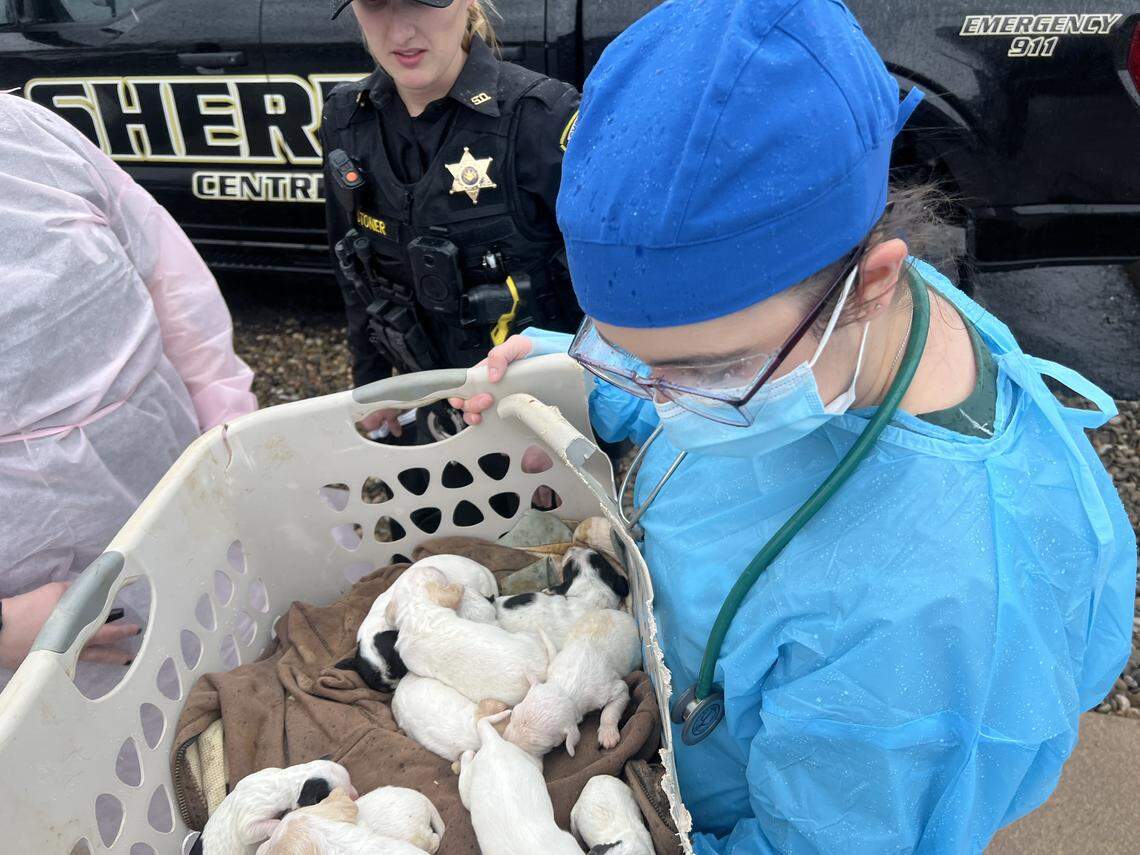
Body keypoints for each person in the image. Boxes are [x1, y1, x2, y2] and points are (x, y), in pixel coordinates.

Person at [449, 0, 1138, 851]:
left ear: (872, 284)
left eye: (711, 372)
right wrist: (581, 377)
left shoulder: (929, 614)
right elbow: (686, 359)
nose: (665, 402)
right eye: (627, 353)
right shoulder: (845, 320)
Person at [0, 95, 257, 690]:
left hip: (162, 465)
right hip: (23, 593)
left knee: (217, 658)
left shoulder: (25, 129)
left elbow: (169, 275)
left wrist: (224, 421)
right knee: (76, 719)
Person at [320, 0, 582, 443]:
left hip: (538, 421)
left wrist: (576, 424)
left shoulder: (542, 117)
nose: (400, 33)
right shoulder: (346, 119)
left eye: (424, 0)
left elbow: (614, 302)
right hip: (427, 406)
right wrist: (372, 384)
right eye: (376, 3)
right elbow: (352, 267)